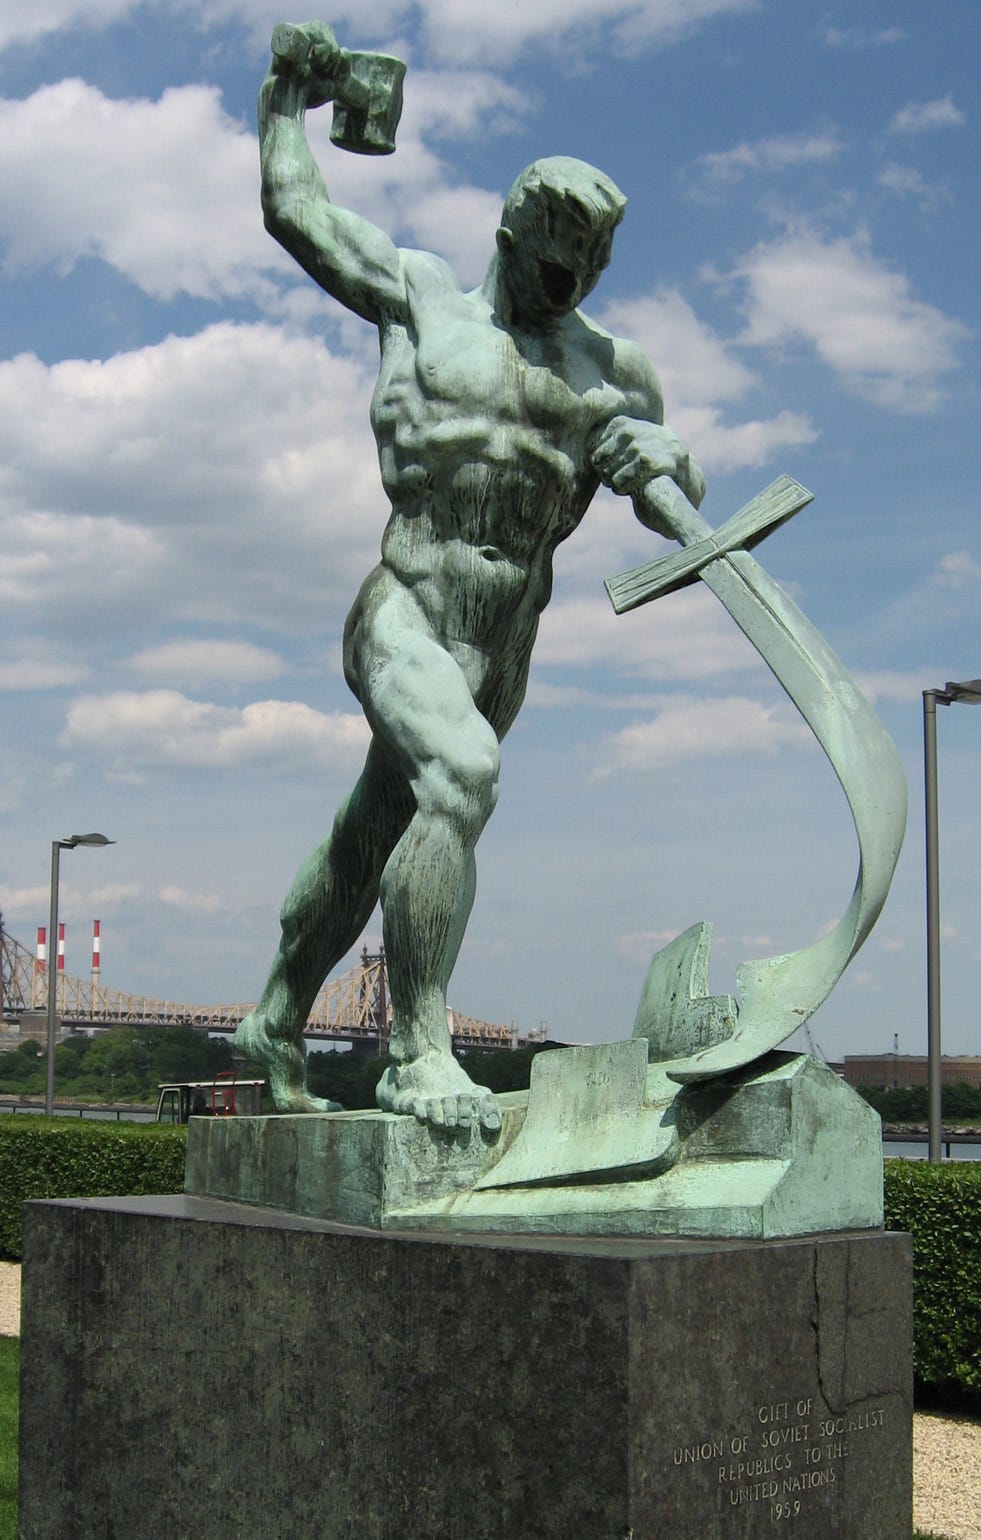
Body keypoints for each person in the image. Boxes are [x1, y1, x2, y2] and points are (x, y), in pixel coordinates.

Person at [235, 21, 706, 1132]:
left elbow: (672, 494)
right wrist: (286, 99)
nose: (572, 285)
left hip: (502, 649)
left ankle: (274, 1018)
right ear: (512, 233)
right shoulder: (421, 299)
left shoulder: (614, 370)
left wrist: (667, 459)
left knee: (370, 835)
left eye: (592, 269)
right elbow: (295, 210)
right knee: (461, 775)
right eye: (557, 262)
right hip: (404, 606)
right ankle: (418, 1053)